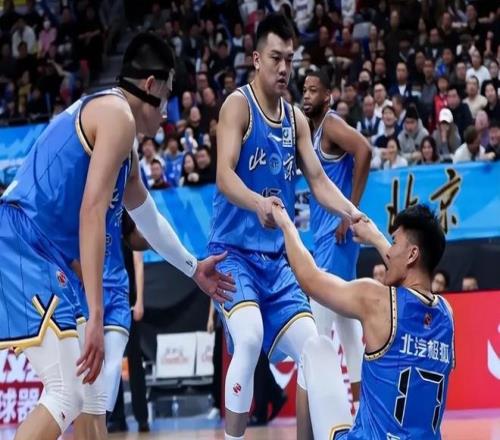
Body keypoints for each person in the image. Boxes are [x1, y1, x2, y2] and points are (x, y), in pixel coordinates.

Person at [0, 32, 233, 440]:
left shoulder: (122, 140)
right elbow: (91, 212)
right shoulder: (118, 117)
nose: (168, 111)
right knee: (67, 392)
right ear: (151, 86)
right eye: (168, 96)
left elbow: (149, 220)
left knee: (91, 394)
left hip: (43, 250)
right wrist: (96, 315)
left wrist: (194, 268)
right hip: (24, 242)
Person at [208, 14, 362, 440]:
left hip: (277, 262)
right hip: (233, 255)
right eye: (275, 58)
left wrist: (352, 212)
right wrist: (257, 202)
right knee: (249, 337)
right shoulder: (237, 106)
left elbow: (319, 180)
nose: (283, 68)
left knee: (317, 347)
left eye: (289, 59)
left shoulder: (296, 119)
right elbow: (223, 175)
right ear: (256, 59)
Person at [271, 203, 454, 439]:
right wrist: (376, 238)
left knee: (316, 347)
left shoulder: (377, 299)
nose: (389, 252)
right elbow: (411, 279)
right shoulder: (447, 315)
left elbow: (310, 279)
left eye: (394, 243)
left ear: (412, 254)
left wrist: (286, 224)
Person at [302, 70, 371, 408]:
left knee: (318, 332)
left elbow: (365, 150)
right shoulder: (312, 131)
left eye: (313, 90)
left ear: (327, 96)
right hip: (326, 239)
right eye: (304, 89)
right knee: (347, 329)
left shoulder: (330, 124)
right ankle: (360, 413)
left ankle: (319, 413)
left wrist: (350, 212)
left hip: (336, 238)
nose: (306, 95)